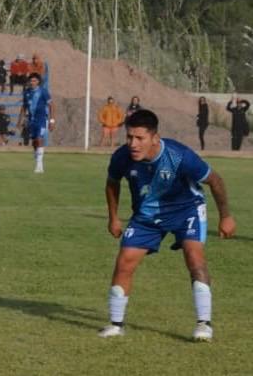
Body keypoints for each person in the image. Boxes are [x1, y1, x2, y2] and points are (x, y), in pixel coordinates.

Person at [98, 109, 236, 342]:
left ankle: (204, 324)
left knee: (194, 257)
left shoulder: (179, 155)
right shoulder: (122, 157)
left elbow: (215, 180)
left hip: (186, 210)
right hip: (147, 216)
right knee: (124, 262)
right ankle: (116, 324)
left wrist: (226, 217)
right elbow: (112, 183)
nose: (133, 144)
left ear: (155, 138)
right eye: (129, 137)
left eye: (140, 138)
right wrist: (113, 217)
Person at [16, 73, 55, 173]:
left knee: (39, 139)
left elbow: (52, 105)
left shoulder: (43, 92)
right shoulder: (27, 92)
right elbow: (24, 107)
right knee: (34, 142)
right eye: (31, 81)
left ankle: (39, 165)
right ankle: (37, 154)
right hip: (31, 120)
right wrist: (20, 120)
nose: (32, 82)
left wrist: (52, 120)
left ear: (38, 82)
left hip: (41, 119)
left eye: (34, 81)